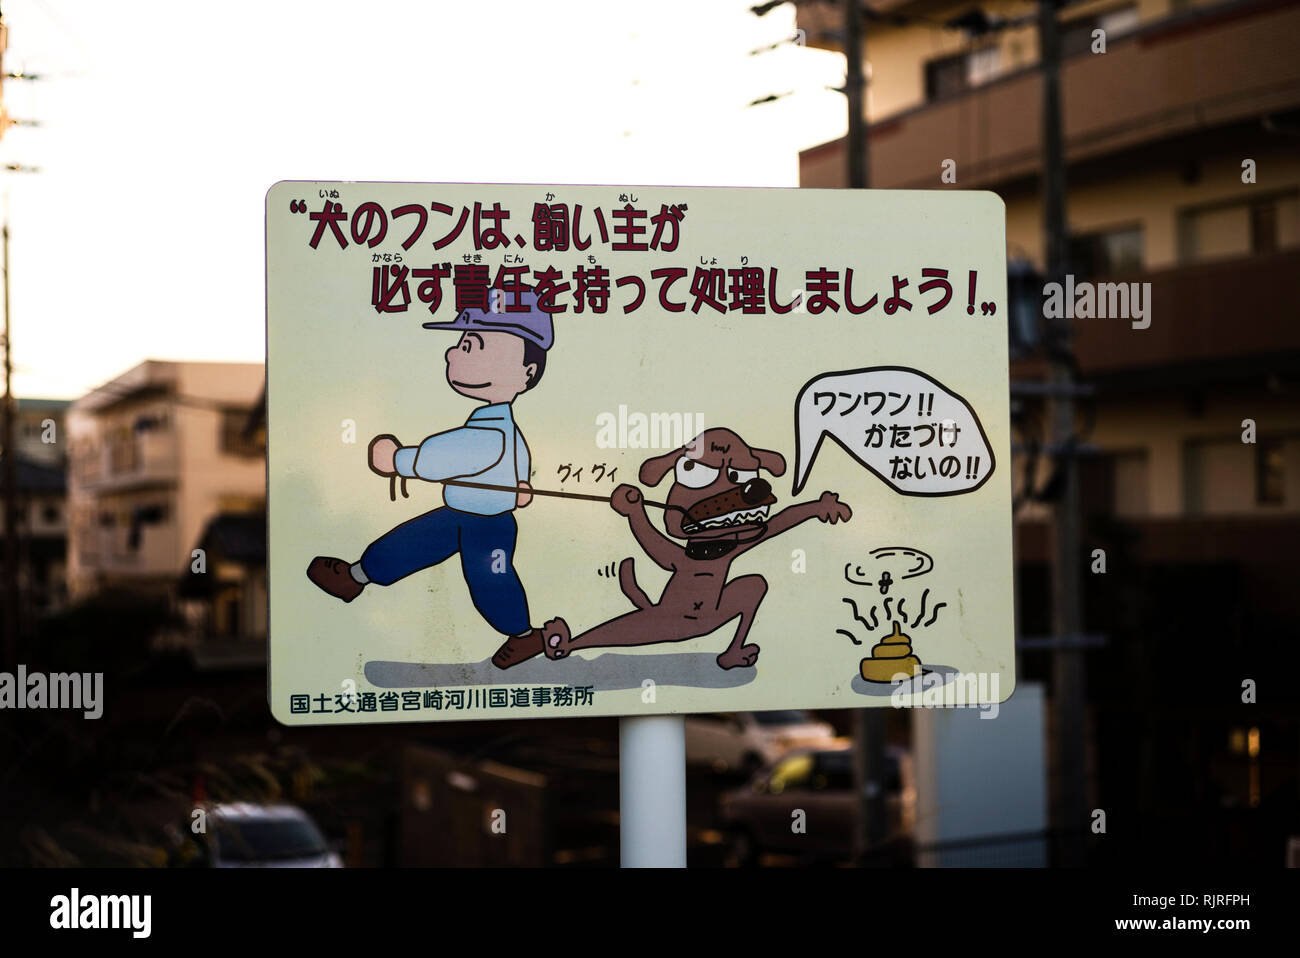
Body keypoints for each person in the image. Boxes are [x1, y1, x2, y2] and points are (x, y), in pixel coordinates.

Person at [307, 286, 560, 669]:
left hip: (489, 526)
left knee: (491, 581)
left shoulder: (488, 432)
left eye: (475, 345)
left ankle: (526, 636)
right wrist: (520, 486)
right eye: (463, 343)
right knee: (409, 543)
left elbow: (441, 458)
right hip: (459, 512)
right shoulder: (494, 424)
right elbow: (508, 457)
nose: (453, 352)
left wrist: (398, 460)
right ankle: (356, 577)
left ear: (526, 373)